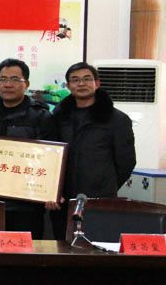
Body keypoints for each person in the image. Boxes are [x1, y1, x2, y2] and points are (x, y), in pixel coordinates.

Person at [49, 62, 136, 238]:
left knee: (96, 247)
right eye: (75, 80)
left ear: (97, 83)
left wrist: (105, 186)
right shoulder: (59, 117)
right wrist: (53, 190)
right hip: (62, 200)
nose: (81, 83)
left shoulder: (117, 119)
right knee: (61, 247)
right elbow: (50, 155)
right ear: (68, 86)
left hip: (100, 200)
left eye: (87, 79)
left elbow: (126, 162)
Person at [0, 58, 56, 239]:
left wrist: (51, 189)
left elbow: (52, 160)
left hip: (27, 205)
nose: (8, 84)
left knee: (24, 250)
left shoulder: (41, 117)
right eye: (3, 79)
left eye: (14, 79)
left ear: (26, 84)